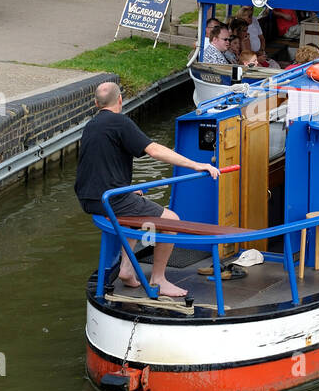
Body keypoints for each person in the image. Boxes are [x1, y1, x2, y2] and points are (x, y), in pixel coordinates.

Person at [75, 81, 219, 299]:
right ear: (120, 100)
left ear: (96, 104)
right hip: (110, 199)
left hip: (88, 198)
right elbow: (153, 150)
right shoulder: (120, 122)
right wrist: (196, 164)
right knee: (172, 221)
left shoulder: (91, 125)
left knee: (134, 208)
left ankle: (125, 268)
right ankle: (158, 279)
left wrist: (125, 190)